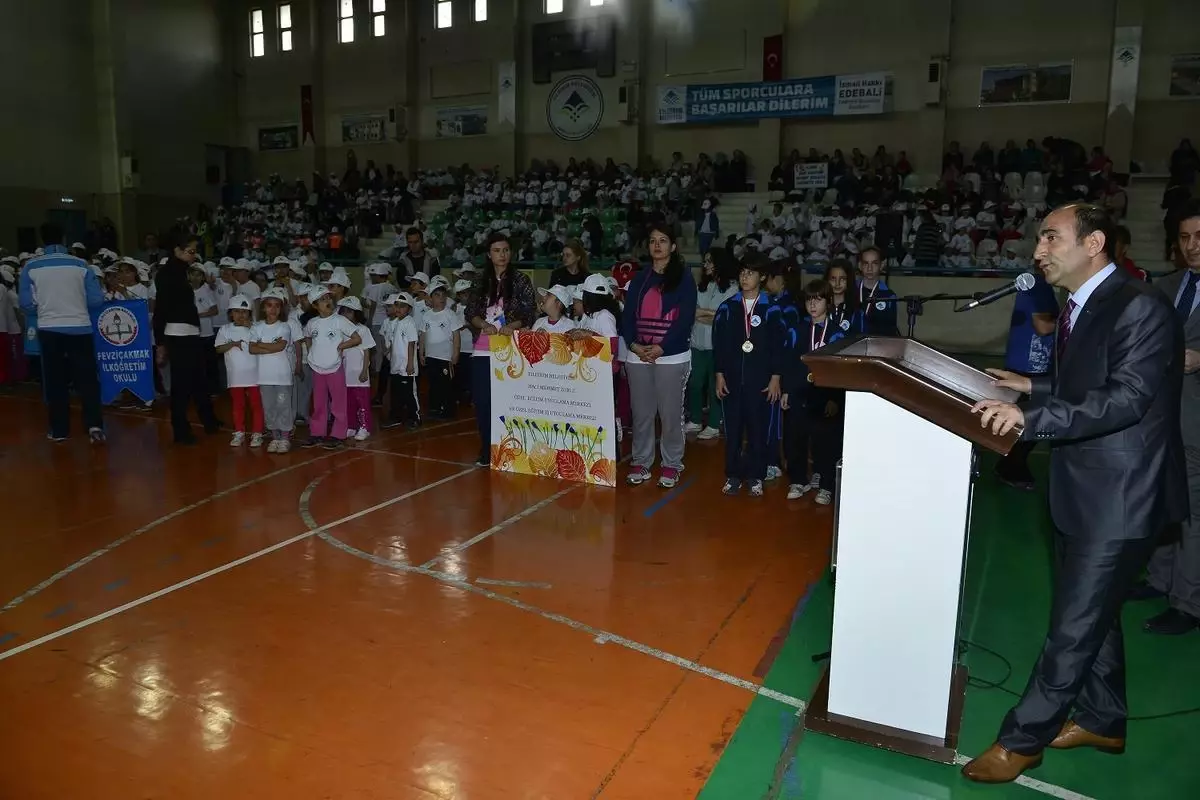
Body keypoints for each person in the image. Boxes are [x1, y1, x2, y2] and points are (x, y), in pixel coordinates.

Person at [964, 203, 1187, 784]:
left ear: (1095, 243)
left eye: (1049, 238)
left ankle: (1023, 739)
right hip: (1082, 489)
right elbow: (1088, 381)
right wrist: (1032, 385)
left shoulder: (1139, 306)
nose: (1038, 251)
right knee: (1093, 614)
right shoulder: (1084, 306)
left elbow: (1127, 397)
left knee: (1073, 625)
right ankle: (1103, 719)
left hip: (1119, 497)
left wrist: (1027, 419)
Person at [1137, 200, 1200, 635]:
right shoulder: (1169, 284)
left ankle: (1189, 602)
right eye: (1184, 238)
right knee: (1163, 503)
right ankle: (1160, 582)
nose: (1192, 246)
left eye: (1199, 237)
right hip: (1162, 417)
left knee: (1194, 514)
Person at [621, 225, 698, 488]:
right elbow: (628, 316)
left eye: (663, 241)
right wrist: (632, 345)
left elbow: (685, 318)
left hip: (671, 356)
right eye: (653, 241)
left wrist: (663, 347)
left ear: (673, 246)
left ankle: (671, 464)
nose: (657, 245)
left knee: (669, 414)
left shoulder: (685, 278)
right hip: (638, 356)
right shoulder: (640, 278)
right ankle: (641, 461)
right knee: (641, 414)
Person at [18, 222, 106, 443]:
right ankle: (94, 426)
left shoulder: (31, 267)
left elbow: (26, 304)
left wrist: (46, 308)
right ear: (64, 238)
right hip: (80, 327)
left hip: (49, 328)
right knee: (87, 379)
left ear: (42, 240)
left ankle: (59, 430)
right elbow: (96, 300)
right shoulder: (81, 264)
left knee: (55, 381)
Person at [712, 255, 784, 496]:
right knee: (732, 430)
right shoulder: (727, 307)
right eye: (742, 272)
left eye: (751, 273)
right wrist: (719, 373)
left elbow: (778, 345)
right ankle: (733, 475)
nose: (745, 277)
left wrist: (775, 376)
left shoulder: (771, 309)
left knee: (757, 429)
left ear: (762, 277)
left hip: (760, 381)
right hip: (732, 379)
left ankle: (756, 476)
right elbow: (719, 343)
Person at [465, 232, 537, 466]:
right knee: (483, 402)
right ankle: (487, 447)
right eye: (497, 250)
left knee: (510, 402)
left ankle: (512, 449)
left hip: (511, 350)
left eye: (505, 250)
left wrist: (513, 326)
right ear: (489, 254)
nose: (502, 255)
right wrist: (483, 325)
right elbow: (470, 313)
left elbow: (529, 311)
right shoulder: (479, 280)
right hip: (483, 350)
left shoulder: (521, 280)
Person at [153, 229, 220, 445]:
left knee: (200, 380)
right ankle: (180, 429)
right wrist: (160, 342)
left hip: (191, 332)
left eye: (195, 251)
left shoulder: (184, 271)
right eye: (191, 251)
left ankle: (209, 421)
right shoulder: (166, 274)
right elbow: (161, 309)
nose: (194, 255)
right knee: (182, 385)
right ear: (177, 250)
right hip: (177, 333)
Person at [994, 270, 1058, 489]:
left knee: (1028, 421)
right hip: (1029, 366)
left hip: (1029, 363)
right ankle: (1010, 467)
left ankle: (1009, 465)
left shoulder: (1040, 286)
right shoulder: (1037, 285)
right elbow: (1043, 326)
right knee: (1029, 422)